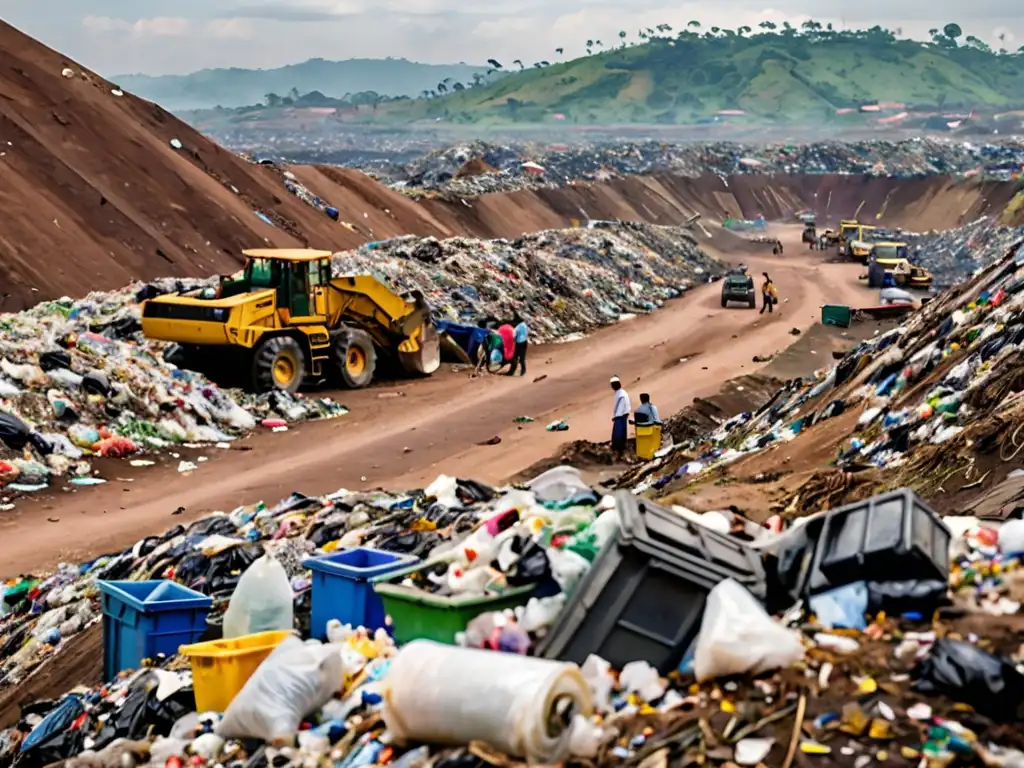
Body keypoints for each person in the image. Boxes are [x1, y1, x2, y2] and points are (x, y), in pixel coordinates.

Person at [610, 377, 631, 456]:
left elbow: (621, 407)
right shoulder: (621, 392)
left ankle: (618, 451)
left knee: (618, 435)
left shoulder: (621, 394)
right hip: (621, 416)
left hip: (620, 416)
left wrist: (616, 416)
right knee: (621, 434)